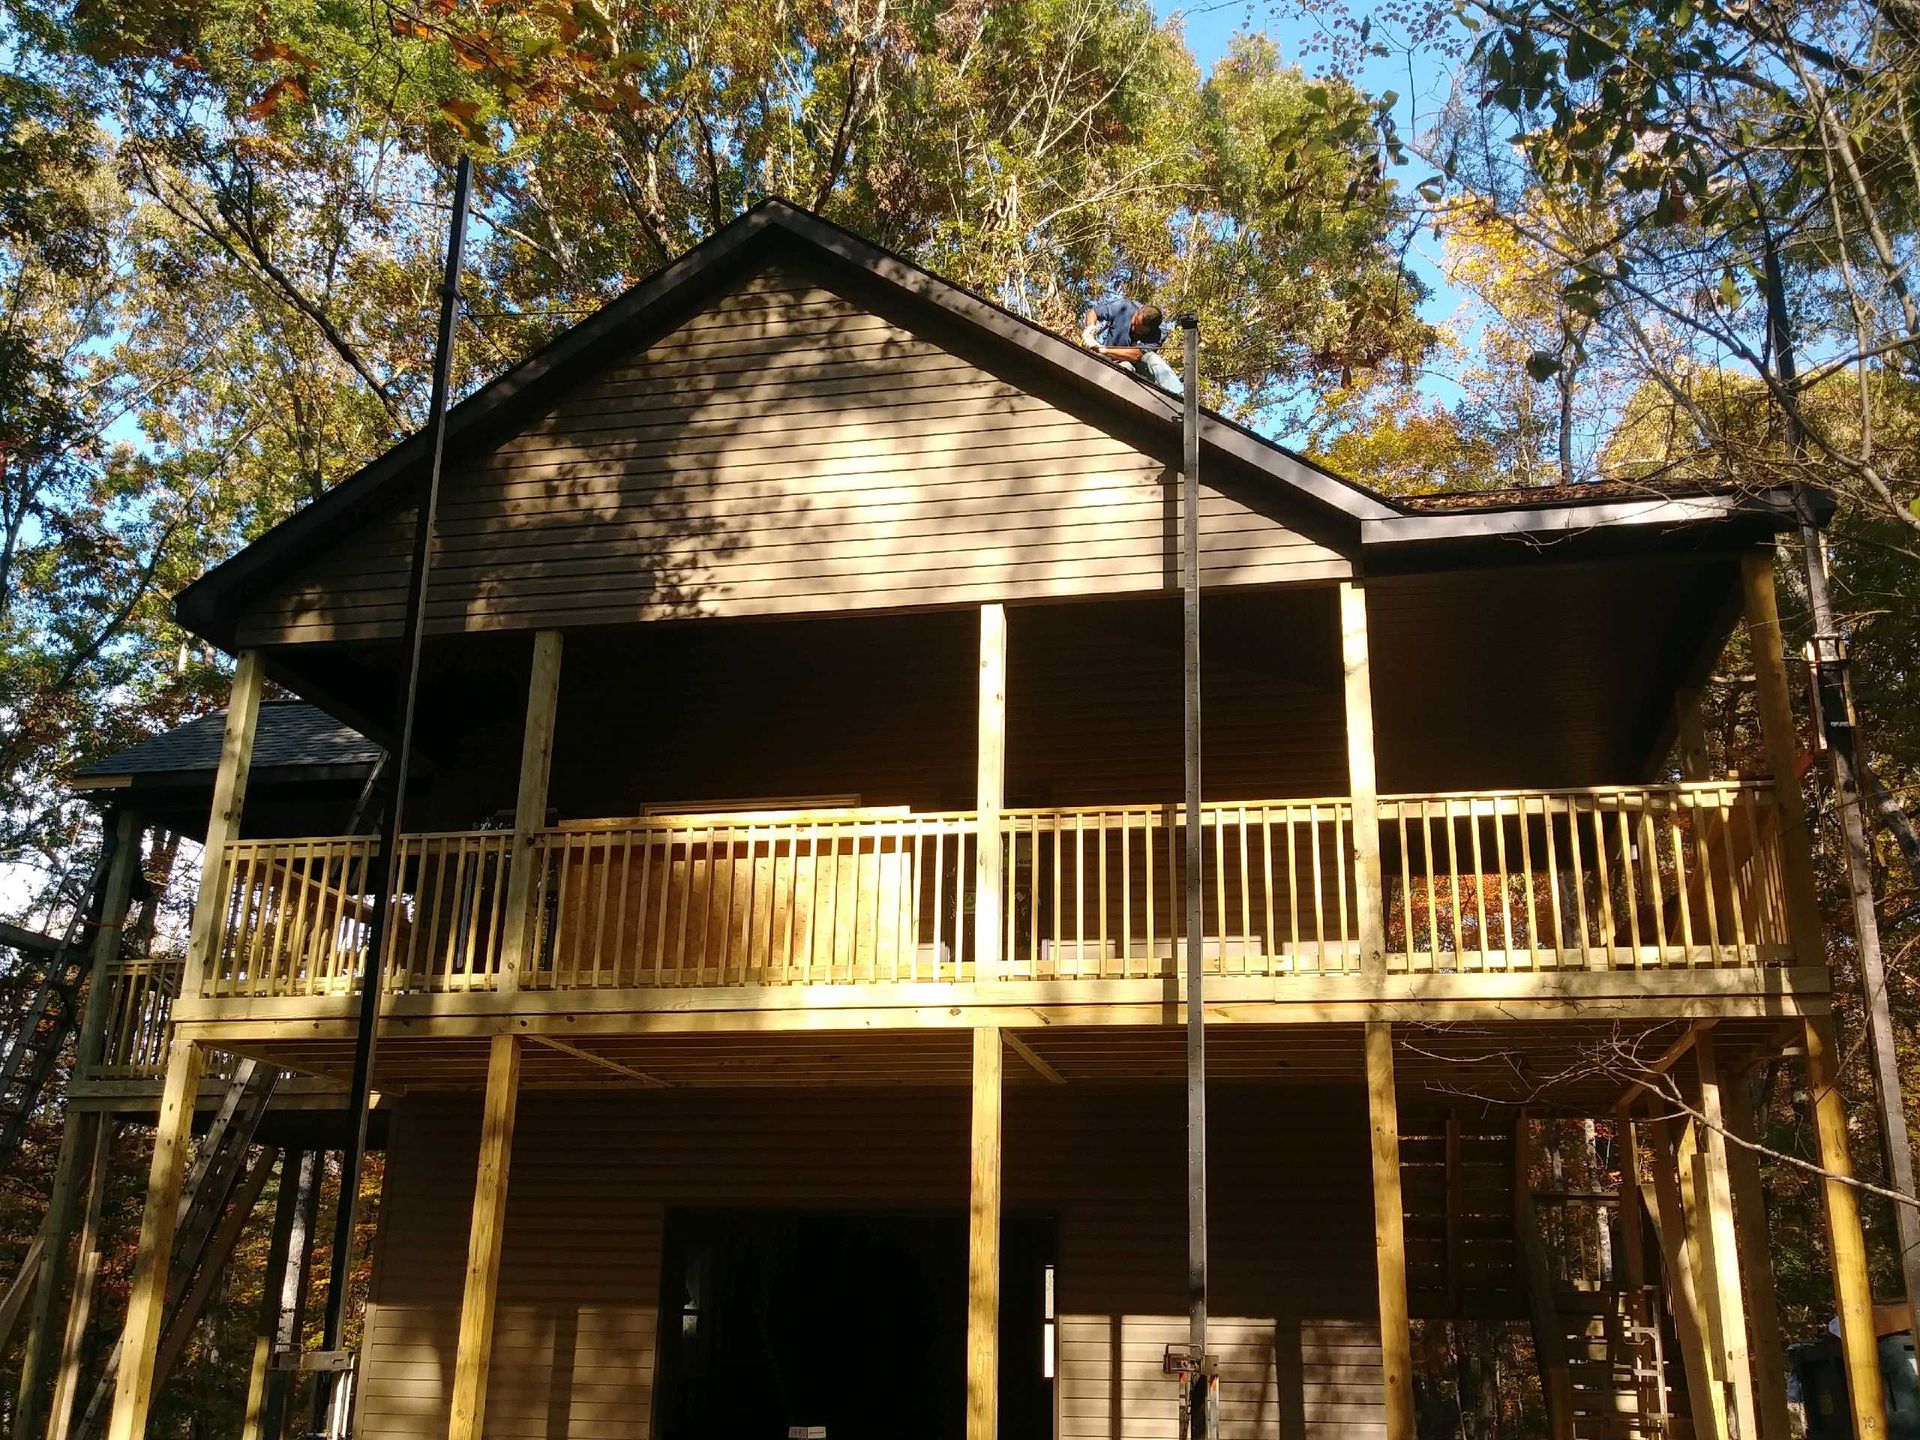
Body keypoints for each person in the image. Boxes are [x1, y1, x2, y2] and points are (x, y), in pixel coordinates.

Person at [1081, 294, 1183, 395]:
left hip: (1138, 369)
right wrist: (1090, 330)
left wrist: (1104, 349)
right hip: (1110, 361)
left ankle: (1179, 395)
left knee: (1150, 358)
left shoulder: (1160, 332)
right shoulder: (1124, 307)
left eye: (1139, 329)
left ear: (1149, 330)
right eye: (1134, 322)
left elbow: (1136, 355)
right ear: (1138, 312)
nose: (1133, 328)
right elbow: (1093, 312)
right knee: (1123, 367)